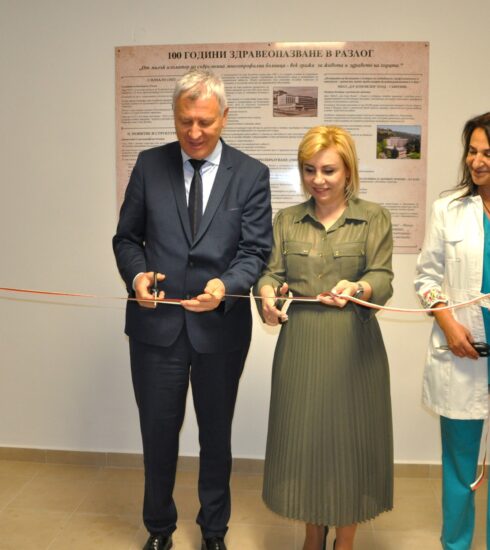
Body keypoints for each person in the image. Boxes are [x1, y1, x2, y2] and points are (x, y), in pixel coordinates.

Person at [113, 68, 272, 550]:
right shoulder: (149, 165)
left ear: (225, 117)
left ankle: (214, 530)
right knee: (158, 433)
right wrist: (137, 277)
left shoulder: (251, 174)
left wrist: (226, 285)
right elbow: (127, 239)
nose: (195, 132)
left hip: (220, 329)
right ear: (174, 116)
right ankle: (159, 528)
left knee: (216, 436)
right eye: (185, 122)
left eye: (205, 121)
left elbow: (255, 251)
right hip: (155, 327)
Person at [256, 126, 394, 550]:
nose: (318, 180)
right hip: (300, 345)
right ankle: (312, 536)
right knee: (305, 443)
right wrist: (267, 295)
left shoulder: (373, 217)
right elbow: (270, 274)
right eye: (309, 169)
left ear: (348, 170)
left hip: (355, 345)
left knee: (352, 444)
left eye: (329, 170)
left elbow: (382, 277)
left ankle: (345, 541)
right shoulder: (287, 220)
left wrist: (360, 288)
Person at [414, 112, 490, 550]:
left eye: (487, 153)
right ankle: (456, 545)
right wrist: (448, 324)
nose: (476, 161)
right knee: (460, 465)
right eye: (472, 151)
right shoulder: (449, 209)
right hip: (462, 350)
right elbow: (426, 279)